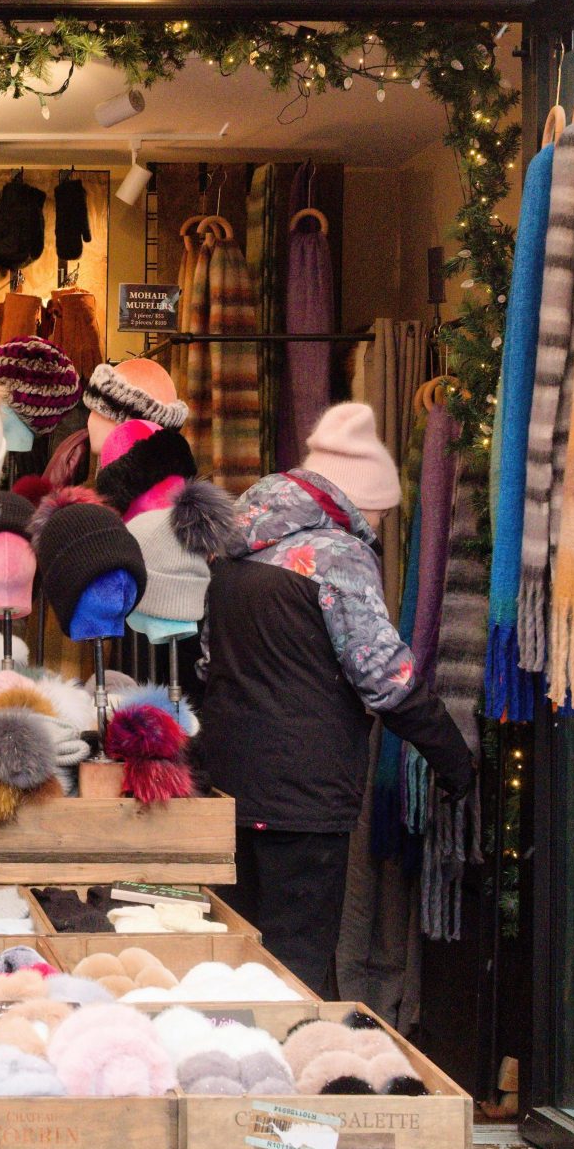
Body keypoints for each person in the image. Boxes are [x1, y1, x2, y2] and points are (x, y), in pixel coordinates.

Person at [197, 402, 474, 994]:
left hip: (227, 783)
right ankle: (286, 1083)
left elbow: (207, 659)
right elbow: (383, 676)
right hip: (304, 792)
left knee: (234, 951)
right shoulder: (337, 555)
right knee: (296, 963)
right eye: (374, 512)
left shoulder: (233, 548)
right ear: (353, 500)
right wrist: (456, 760)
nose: (374, 526)